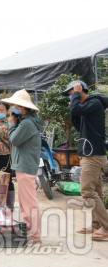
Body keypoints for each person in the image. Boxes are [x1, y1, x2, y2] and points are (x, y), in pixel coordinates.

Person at [64, 81, 108, 241]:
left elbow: (75, 109)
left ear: (80, 90)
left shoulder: (94, 103)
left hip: (93, 156)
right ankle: (97, 224)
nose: (71, 98)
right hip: (90, 154)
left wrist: (76, 94)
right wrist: (74, 106)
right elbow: (76, 120)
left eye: (72, 94)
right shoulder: (86, 109)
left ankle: (107, 226)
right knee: (96, 191)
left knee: (87, 192)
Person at [3, 89, 44, 244]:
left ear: (21, 107)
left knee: (29, 202)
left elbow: (14, 139)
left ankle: (34, 235)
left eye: (15, 105)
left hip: (26, 165)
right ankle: (31, 232)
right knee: (26, 201)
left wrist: (11, 124)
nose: (13, 107)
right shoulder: (28, 121)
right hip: (24, 165)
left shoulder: (27, 123)